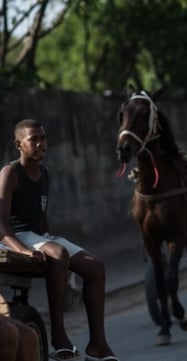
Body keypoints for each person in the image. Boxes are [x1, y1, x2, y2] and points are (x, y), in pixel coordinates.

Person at [0, 119, 118, 361]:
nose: (41, 143)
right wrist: (22, 250)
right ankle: (60, 337)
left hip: (39, 237)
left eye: (43, 138)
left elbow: (41, 218)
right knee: (58, 252)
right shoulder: (10, 173)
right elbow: (0, 224)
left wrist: (51, 241)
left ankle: (98, 344)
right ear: (19, 144)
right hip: (14, 237)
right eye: (34, 139)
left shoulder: (44, 174)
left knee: (95, 267)